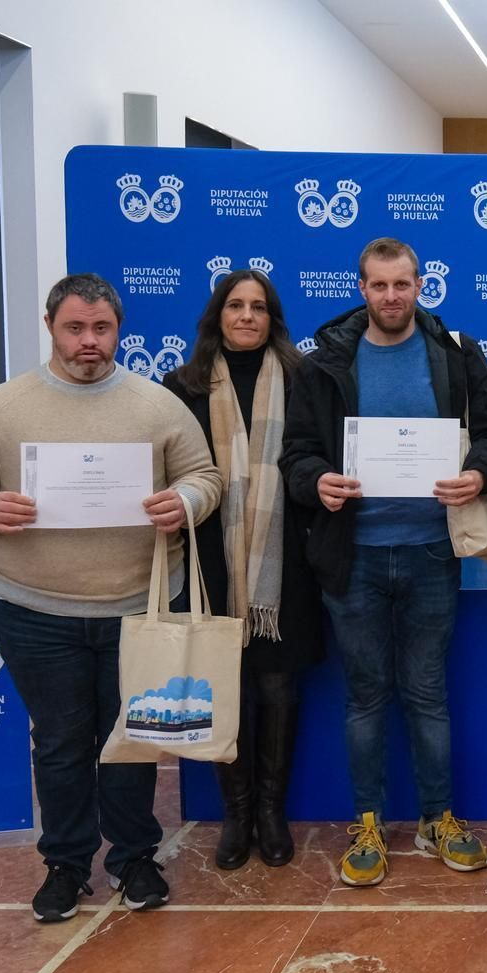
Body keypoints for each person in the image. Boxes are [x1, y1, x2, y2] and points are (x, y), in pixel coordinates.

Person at [0, 273, 223, 921]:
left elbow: (205, 478)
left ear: (119, 330)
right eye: (75, 328)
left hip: (136, 607)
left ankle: (133, 857)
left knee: (133, 740)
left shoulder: (157, 404)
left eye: (101, 328)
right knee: (61, 742)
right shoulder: (2, 408)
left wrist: (185, 501)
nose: (89, 341)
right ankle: (65, 864)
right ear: (50, 327)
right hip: (34, 610)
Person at [281, 237, 487, 886]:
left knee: (428, 694)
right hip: (350, 557)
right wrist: (319, 481)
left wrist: (478, 474)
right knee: (364, 696)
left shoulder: (455, 355)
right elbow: (295, 455)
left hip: (431, 554)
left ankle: (440, 816)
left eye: (402, 284)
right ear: (361, 287)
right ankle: (368, 822)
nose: (391, 296)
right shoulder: (325, 361)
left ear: (421, 285)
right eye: (379, 285)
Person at [162, 269, 324, 871]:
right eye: (236, 305)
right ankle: (236, 814)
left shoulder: (305, 379)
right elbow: (170, 469)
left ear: (273, 317)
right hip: (209, 559)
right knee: (223, 684)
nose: (247, 316)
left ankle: (271, 812)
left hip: (287, 568)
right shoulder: (183, 386)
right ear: (218, 315)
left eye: (259, 307)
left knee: (279, 686)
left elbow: (316, 460)